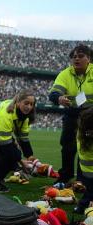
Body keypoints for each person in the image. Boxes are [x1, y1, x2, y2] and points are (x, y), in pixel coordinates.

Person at [49, 44, 93, 184]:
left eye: (81, 56)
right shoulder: (65, 74)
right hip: (72, 114)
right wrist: (59, 98)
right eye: (74, 57)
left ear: (89, 59)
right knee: (67, 146)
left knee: (86, 147)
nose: (76, 59)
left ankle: (83, 180)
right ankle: (65, 176)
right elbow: (54, 93)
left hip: (90, 117)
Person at [74, 107, 93, 214]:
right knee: (90, 192)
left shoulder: (81, 135)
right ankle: (83, 204)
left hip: (86, 174)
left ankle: (82, 205)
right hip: (89, 175)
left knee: (89, 192)